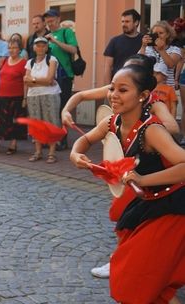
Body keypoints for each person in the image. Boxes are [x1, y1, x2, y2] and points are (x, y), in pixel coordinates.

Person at [70, 63, 185, 304]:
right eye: (112, 88)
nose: (113, 94)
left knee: (135, 278)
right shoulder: (112, 122)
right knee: (153, 287)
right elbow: (84, 141)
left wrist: (143, 179)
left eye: (123, 90)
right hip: (149, 203)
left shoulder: (152, 131)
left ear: (143, 96)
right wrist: (75, 154)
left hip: (173, 209)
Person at [44, 9, 79, 150]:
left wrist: (55, 41)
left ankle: (63, 140)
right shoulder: (47, 35)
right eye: (47, 22)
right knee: (51, 109)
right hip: (51, 78)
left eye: (51, 21)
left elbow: (73, 50)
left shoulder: (66, 32)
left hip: (65, 76)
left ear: (58, 19)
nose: (49, 24)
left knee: (63, 108)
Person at [24, 37, 61, 163]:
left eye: (43, 46)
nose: (40, 48)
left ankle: (52, 153)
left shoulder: (52, 59)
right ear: (34, 47)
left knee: (51, 123)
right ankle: (38, 152)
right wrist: (41, 81)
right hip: (33, 96)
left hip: (50, 95)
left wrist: (33, 80)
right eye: (38, 45)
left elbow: (50, 80)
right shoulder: (30, 62)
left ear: (46, 47)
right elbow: (26, 82)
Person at [0, 40, 27, 155]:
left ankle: (13, 145)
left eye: (14, 47)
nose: (11, 50)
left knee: (13, 122)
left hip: (16, 97)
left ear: (20, 49)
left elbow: (26, 82)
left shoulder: (24, 63)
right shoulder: (5, 60)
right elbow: (1, 77)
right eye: (9, 48)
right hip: (1, 96)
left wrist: (25, 98)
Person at [103, 9, 143, 84]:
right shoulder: (114, 41)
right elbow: (108, 66)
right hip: (118, 84)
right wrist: (107, 88)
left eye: (127, 21)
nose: (124, 24)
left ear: (136, 22)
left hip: (139, 84)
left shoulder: (144, 41)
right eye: (122, 21)